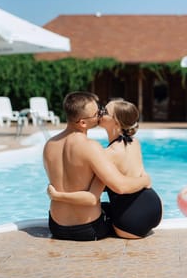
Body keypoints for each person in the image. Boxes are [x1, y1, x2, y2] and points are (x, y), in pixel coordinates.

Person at [43, 91, 151, 241]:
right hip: (88, 229)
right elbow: (98, 196)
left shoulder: (49, 145)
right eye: (96, 113)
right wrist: (145, 181)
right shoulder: (92, 148)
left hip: (56, 226)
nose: (100, 114)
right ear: (82, 122)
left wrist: (56, 196)